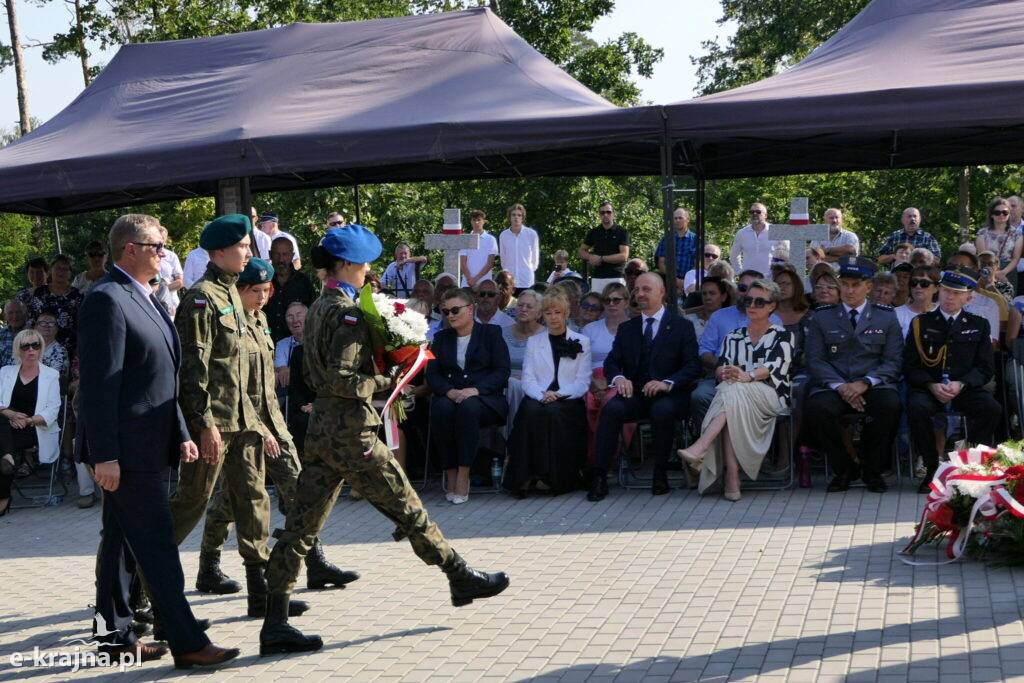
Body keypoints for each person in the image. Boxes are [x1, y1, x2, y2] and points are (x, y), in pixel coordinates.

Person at [260, 227, 509, 656]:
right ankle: (458, 574)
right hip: (352, 435)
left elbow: (310, 374)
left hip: (323, 432)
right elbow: (342, 378)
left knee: (299, 529)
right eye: (365, 264)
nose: (368, 271)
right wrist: (388, 377)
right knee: (408, 508)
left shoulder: (320, 306)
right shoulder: (347, 313)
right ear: (350, 265)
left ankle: (275, 622)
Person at [76, 213, 239, 668]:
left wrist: (181, 432)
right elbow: (100, 384)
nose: (164, 254)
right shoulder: (107, 299)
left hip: (150, 443)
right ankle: (186, 642)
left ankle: (113, 640)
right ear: (129, 249)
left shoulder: (146, 296)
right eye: (157, 246)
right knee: (157, 544)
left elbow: (161, 376)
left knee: (120, 543)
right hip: (125, 452)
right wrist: (104, 454)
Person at [196, 259, 356, 597]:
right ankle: (209, 566)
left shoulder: (261, 321)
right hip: (240, 425)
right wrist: (259, 428)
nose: (263, 297)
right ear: (239, 290)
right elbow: (231, 385)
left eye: (267, 291)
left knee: (300, 487)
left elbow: (266, 382)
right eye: (256, 290)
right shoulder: (227, 323)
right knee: (230, 498)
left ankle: (315, 560)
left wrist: (273, 427)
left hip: (272, 421)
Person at [169, 214, 290, 620]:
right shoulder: (201, 297)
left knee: (254, 502)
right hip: (215, 426)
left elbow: (244, 373)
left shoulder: (234, 298)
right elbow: (193, 369)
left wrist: (256, 421)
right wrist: (204, 425)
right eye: (241, 247)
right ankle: (143, 587)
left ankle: (262, 596)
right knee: (192, 502)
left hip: (245, 424)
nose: (248, 252)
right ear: (219, 252)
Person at [588, 272, 701, 501]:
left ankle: (660, 474)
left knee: (662, 411)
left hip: (670, 395)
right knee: (611, 409)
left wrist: (667, 383)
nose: (640, 294)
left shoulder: (681, 326)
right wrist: (618, 378)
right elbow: (612, 361)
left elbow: (692, 367)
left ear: (662, 292)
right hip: (637, 394)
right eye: (637, 289)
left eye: (646, 289)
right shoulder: (628, 328)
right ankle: (599, 475)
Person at [680, 279, 793, 500]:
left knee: (731, 391)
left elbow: (773, 366)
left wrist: (747, 375)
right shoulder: (734, 336)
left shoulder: (782, 335)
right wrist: (723, 372)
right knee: (731, 391)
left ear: (772, 306)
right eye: (749, 300)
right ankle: (732, 474)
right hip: (736, 394)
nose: (752, 305)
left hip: (770, 394)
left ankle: (703, 446)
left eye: (760, 302)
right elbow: (723, 363)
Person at [803, 256, 903, 493]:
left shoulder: (886, 316)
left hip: (873, 384)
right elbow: (815, 360)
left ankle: (872, 469)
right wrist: (841, 387)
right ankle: (844, 467)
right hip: (834, 385)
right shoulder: (822, 315)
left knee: (891, 405)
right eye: (845, 284)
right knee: (816, 409)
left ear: (869, 287)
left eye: (855, 285)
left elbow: (893, 361)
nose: (849, 290)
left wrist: (865, 383)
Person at [905, 265, 1001, 492]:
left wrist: (963, 383)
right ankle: (931, 467)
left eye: (957, 293)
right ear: (939, 291)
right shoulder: (921, 323)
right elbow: (910, 365)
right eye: (947, 291)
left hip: (964, 388)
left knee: (992, 408)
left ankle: (971, 466)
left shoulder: (978, 324)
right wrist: (930, 384)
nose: (950, 297)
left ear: (968, 298)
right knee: (916, 407)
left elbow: (985, 368)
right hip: (931, 387)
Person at [427, 288, 511, 504]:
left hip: (485, 399)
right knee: (440, 408)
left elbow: (502, 371)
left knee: (469, 408)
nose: (450, 315)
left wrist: (478, 390)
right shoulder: (441, 338)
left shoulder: (491, 333)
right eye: (445, 312)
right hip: (451, 396)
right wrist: (448, 391)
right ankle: (451, 472)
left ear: (470, 309)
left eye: (455, 310)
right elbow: (433, 374)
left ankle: (464, 474)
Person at [506, 290, 592, 496]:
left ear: (566, 313)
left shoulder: (581, 341)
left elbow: (582, 381)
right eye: (548, 313)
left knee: (554, 413)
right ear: (543, 315)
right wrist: (541, 395)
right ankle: (526, 477)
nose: (553, 317)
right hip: (540, 394)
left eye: (558, 312)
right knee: (530, 411)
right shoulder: (535, 342)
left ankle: (554, 478)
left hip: (568, 397)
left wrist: (559, 394)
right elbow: (528, 377)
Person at [691, 270, 783, 427]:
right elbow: (704, 350)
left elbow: (774, 361)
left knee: (736, 396)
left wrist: (745, 374)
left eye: (753, 290)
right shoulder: (719, 316)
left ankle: (730, 446)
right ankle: (712, 444)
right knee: (700, 396)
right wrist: (722, 367)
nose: (746, 294)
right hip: (719, 373)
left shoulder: (774, 321)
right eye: (742, 288)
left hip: (758, 380)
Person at [0, 328, 61, 513]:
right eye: (25, 346)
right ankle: (7, 460)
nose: (31, 350)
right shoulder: (5, 372)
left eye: (35, 345)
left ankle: (3, 493)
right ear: (18, 349)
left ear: (41, 348)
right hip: (5, 426)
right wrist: (10, 414)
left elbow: (52, 411)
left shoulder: (51, 375)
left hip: (34, 429)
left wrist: (27, 421)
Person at [582, 283, 634, 466]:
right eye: (607, 300)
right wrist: (593, 383)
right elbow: (581, 362)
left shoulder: (636, 329)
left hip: (623, 379)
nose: (611, 304)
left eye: (616, 299)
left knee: (611, 402)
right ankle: (592, 458)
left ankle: (610, 457)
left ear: (626, 302)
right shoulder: (590, 329)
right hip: (591, 379)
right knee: (587, 403)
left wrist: (612, 383)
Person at [500, 289, 544, 440]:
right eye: (520, 305)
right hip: (501, 383)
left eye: (529, 307)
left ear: (539, 313)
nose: (523, 309)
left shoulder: (546, 337)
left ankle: (511, 441)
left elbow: (548, 369)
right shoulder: (500, 334)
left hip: (532, 384)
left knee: (514, 384)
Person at [25, 254, 83, 358]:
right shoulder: (40, 292)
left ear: (70, 273)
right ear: (50, 270)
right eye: (57, 268)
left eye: (65, 269)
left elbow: (81, 326)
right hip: (41, 349)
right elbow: (31, 322)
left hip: (70, 350)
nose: (61, 272)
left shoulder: (77, 296)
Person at [265, 236, 316, 342]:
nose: (281, 259)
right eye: (277, 254)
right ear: (270, 254)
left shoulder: (303, 283)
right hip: (265, 345)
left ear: (292, 256)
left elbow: (312, 316)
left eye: (285, 254)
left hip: (295, 348)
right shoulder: (263, 281)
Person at [947, 251, 1000, 344]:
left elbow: (991, 344)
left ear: (976, 272)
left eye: (961, 267)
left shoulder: (988, 305)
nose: (954, 271)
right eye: (951, 266)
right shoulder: (936, 301)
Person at [578, 201, 630, 293]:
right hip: (598, 277)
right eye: (602, 212)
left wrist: (601, 259)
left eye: (608, 212)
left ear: (614, 213)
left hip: (616, 277)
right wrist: (591, 257)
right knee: (597, 306)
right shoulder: (594, 232)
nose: (605, 215)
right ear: (599, 215)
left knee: (617, 304)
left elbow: (624, 256)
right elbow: (581, 251)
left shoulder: (622, 232)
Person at [976, 197, 1022, 288]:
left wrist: (1003, 273)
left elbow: (1016, 258)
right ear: (992, 215)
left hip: (1008, 272)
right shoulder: (982, 233)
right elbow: (983, 257)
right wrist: (994, 274)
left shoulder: (1017, 234)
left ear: (1009, 214)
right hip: (986, 272)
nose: (1001, 215)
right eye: (997, 212)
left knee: (1007, 301)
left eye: (1005, 212)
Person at [731, 203, 788, 277]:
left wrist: (777, 273)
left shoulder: (776, 232)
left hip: (771, 279)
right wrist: (740, 272)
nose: (754, 214)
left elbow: (786, 256)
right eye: (752, 212)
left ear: (765, 215)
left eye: (758, 212)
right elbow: (734, 255)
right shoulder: (742, 233)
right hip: (749, 279)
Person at [498, 204, 540, 291]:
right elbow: (503, 257)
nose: (516, 217)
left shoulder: (531, 234)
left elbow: (535, 257)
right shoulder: (503, 235)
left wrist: (530, 269)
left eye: (519, 215)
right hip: (509, 281)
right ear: (509, 217)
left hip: (526, 280)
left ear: (522, 217)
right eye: (513, 215)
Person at [656, 208, 698, 291]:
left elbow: (698, 263)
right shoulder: (667, 239)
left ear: (688, 219)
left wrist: (685, 281)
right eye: (675, 218)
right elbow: (661, 263)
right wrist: (675, 280)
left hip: (691, 283)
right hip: (669, 282)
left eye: (680, 218)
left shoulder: (696, 240)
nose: (677, 221)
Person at [683, 276, 733, 341]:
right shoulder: (689, 320)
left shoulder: (730, 323)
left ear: (723, 297)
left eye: (712, 293)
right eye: (704, 293)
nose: (707, 297)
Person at [895, 266, 940, 338]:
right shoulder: (896, 314)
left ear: (936, 288)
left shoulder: (944, 313)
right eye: (914, 283)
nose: (918, 286)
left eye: (924, 283)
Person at [460, 210, 499, 288]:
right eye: (474, 220)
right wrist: (470, 280)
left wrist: (475, 279)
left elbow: (490, 263)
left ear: (483, 221)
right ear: (471, 221)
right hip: (467, 283)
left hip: (484, 283)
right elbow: (463, 263)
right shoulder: (465, 239)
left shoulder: (490, 239)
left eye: (479, 220)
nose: (476, 222)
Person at [0, 299, 28, 367]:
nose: (15, 316)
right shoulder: (1, 333)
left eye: (19, 312)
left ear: (25, 315)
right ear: (5, 316)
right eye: (11, 312)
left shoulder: (32, 335)